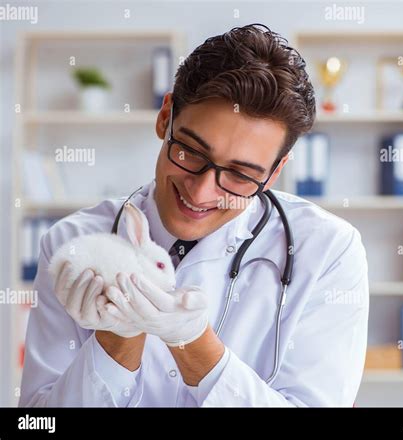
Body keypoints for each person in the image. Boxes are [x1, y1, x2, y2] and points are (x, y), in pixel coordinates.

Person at [20, 24, 368, 407]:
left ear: (274, 172)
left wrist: (195, 345)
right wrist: (116, 340)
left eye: (240, 174)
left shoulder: (328, 250)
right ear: (165, 116)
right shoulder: (73, 244)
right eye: (190, 152)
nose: (201, 192)